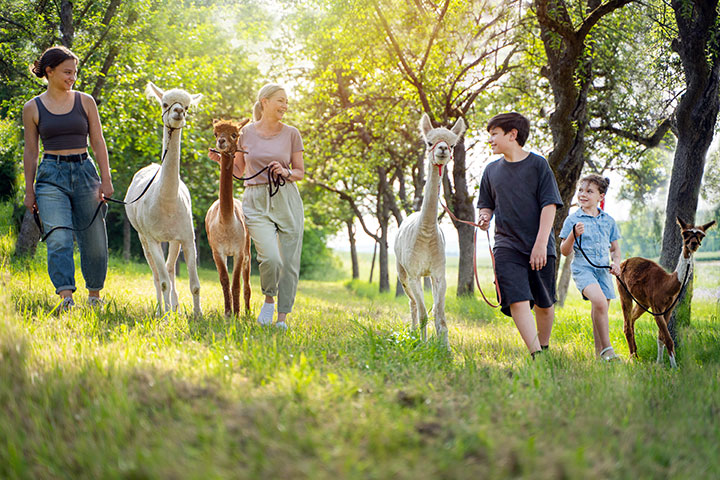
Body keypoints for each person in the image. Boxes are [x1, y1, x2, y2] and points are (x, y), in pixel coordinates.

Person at [22, 46, 114, 312]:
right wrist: (29, 191)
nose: (72, 77)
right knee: (58, 237)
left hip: (85, 171)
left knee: (94, 237)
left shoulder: (85, 101)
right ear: (49, 71)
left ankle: (95, 295)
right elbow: (31, 151)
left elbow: (98, 141)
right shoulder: (33, 107)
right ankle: (66, 299)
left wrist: (105, 179)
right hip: (51, 175)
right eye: (67, 71)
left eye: (75, 72)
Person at [209, 83, 304, 329]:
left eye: (286, 102)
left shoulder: (292, 133)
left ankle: (282, 318)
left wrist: (286, 171)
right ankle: (269, 300)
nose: (285, 106)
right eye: (280, 100)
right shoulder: (246, 133)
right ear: (264, 101)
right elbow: (239, 170)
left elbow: (300, 171)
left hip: (286, 197)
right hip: (255, 199)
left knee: (290, 261)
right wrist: (223, 160)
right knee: (270, 257)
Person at [477, 112, 563, 358]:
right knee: (516, 297)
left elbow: (550, 205)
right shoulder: (490, 171)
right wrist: (484, 217)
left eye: (494, 134)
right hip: (506, 245)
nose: (490, 140)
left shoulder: (538, 165)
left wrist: (539, 246)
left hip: (539, 244)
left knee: (544, 304)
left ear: (512, 135)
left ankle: (544, 348)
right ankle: (536, 354)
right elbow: (486, 204)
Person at [559, 174, 621, 361]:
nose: (583, 194)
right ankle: (609, 349)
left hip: (603, 271)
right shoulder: (573, 220)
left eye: (589, 191)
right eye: (581, 190)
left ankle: (599, 356)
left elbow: (615, 248)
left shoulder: (608, 220)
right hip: (583, 269)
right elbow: (564, 250)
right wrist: (573, 235)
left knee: (600, 310)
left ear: (600, 197)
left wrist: (616, 263)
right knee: (600, 303)